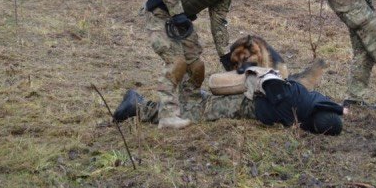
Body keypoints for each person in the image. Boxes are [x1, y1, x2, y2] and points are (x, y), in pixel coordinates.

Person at [143, 0, 257, 129]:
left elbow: (218, 22)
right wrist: (177, 12)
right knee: (177, 63)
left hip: (181, 22)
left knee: (196, 66)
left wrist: (225, 55)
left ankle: (190, 105)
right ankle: (167, 116)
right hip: (160, 14)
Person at [112, 67, 347, 136]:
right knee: (193, 115)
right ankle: (139, 106)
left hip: (248, 100)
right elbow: (273, 84)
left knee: (201, 106)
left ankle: (197, 95)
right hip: (244, 104)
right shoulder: (298, 107)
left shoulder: (314, 102)